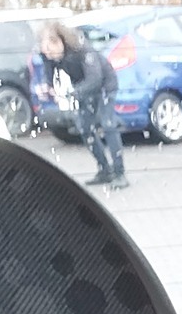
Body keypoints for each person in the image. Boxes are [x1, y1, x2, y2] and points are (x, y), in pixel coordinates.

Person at [39, 22, 126, 189]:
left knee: (108, 125)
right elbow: (49, 71)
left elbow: (95, 79)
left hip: (104, 85)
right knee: (85, 128)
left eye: (50, 51)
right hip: (83, 88)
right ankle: (104, 169)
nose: (50, 56)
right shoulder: (49, 54)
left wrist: (72, 93)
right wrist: (47, 87)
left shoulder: (81, 50)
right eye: (46, 52)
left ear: (59, 42)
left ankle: (119, 172)